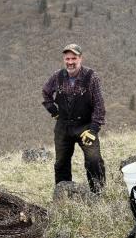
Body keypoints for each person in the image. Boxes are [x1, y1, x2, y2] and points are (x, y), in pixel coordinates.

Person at [42, 43, 106, 193]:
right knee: (61, 163)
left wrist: (94, 129)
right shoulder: (58, 76)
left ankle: (98, 194)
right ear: (64, 59)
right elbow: (45, 92)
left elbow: (99, 105)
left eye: (74, 58)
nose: (70, 62)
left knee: (94, 161)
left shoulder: (91, 77)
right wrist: (53, 110)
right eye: (67, 59)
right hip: (63, 127)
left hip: (85, 127)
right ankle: (64, 195)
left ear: (80, 59)